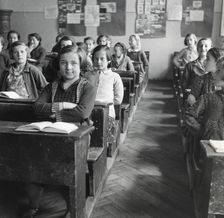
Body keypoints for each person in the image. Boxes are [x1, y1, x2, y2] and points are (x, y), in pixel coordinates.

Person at [19, 45, 97, 218]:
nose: (68, 67)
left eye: (73, 63)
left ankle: (72, 202)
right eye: (63, 63)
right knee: (29, 162)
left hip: (78, 136)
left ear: (80, 64)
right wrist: (63, 106)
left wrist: (55, 113)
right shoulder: (51, 87)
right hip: (50, 133)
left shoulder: (87, 87)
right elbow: (38, 108)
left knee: (67, 166)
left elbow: (82, 112)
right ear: (58, 65)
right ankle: (35, 203)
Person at [91, 45, 124, 146]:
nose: (99, 62)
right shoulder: (88, 75)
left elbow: (118, 99)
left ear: (109, 60)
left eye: (102, 59)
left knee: (104, 138)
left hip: (107, 112)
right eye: (96, 59)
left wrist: (103, 104)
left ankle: (106, 148)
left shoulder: (114, 76)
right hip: (88, 112)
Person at [182, 38, 214, 107]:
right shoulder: (190, 66)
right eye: (200, 46)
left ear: (210, 48)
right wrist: (189, 96)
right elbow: (185, 85)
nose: (203, 48)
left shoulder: (215, 66)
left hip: (210, 101)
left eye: (206, 46)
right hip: (194, 100)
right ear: (197, 48)